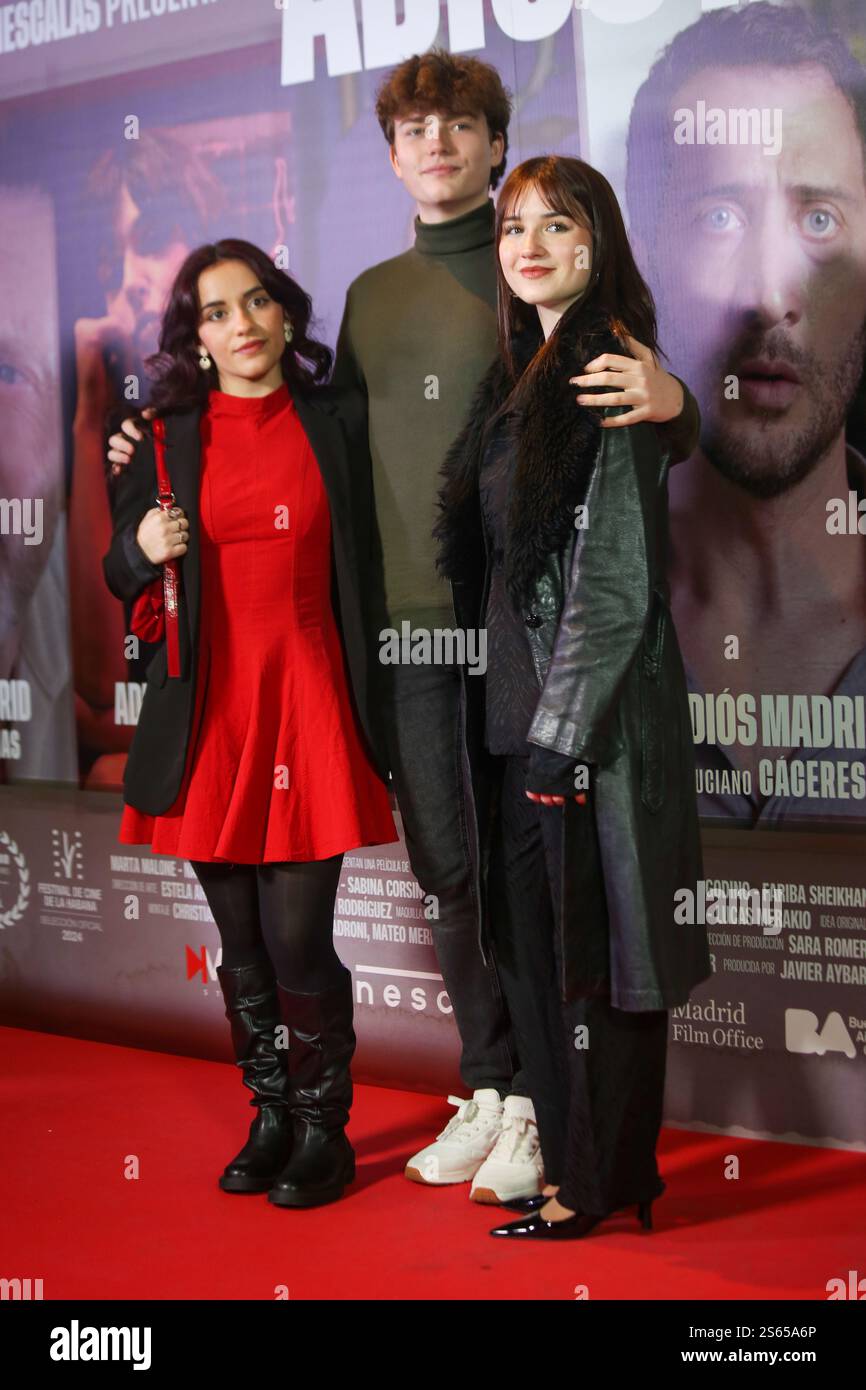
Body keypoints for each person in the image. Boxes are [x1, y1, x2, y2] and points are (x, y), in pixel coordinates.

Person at [107, 49, 701, 1206]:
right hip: (405, 638)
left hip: (529, 634)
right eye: (413, 130)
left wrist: (677, 406)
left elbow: (625, 415)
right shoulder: (372, 297)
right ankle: (488, 1085)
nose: (436, 146)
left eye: (459, 126)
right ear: (388, 156)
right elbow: (297, 426)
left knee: (544, 871)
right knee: (451, 865)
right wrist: (150, 439)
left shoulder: (543, 276)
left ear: (493, 143)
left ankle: (543, 1102)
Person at [435, 155, 712, 1239]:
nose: (530, 245)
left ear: (600, 244)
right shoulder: (524, 370)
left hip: (577, 731)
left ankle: (596, 1183)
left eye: (560, 225)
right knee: (542, 962)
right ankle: (575, 1169)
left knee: (593, 966)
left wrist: (558, 738)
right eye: (513, 228)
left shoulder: (602, 360)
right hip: (516, 726)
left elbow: (614, 576)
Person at [102, 238, 396, 1209]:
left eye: (257, 302)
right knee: (240, 941)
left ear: (283, 313)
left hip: (308, 697)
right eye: (218, 312)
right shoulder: (163, 434)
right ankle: (269, 1111)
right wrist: (141, 546)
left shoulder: (334, 420)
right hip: (212, 715)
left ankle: (326, 1127)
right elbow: (119, 571)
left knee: (299, 936)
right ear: (198, 336)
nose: (244, 325)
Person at [625, 2, 866, 825]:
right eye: (718, 216)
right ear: (643, 257)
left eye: (821, 218)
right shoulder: (563, 612)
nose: (769, 293)